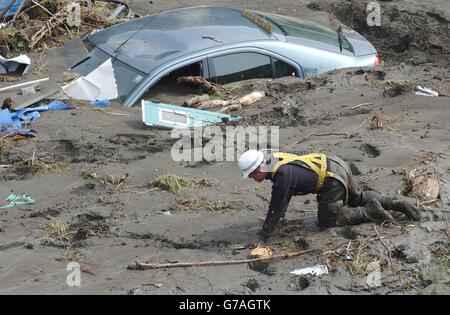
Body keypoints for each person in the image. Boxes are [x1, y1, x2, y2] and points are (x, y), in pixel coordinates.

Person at [238, 150, 420, 237]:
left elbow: (276, 206)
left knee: (327, 221)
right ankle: (396, 204)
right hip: (336, 163)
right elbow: (282, 199)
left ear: (261, 166)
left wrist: (265, 232)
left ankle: (369, 212)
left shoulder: (283, 176)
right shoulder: (272, 158)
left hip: (331, 180)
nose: (253, 178)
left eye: (253, 174)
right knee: (358, 197)